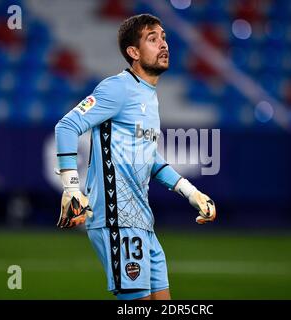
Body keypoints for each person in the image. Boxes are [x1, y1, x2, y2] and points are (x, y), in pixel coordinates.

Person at [54, 13, 216, 300]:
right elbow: (67, 126)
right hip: (117, 219)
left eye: (164, 37)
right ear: (134, 52)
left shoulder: (149, 96)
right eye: (152, 39)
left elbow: (149, 158)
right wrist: (70, 187)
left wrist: (192, 193)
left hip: (143, 221)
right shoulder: (117, 87)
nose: (163, 44)